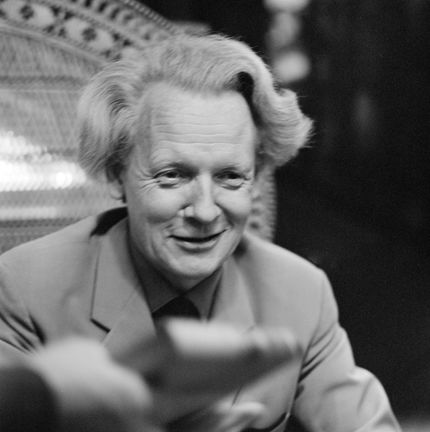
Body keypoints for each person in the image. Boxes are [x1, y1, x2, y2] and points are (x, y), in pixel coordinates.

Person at [0, 34, 400, 431]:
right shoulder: (25, 288)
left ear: (258, 176)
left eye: (230, 176)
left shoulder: (301, 293)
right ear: (117, 174)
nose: (205, 212)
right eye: (173, 175)